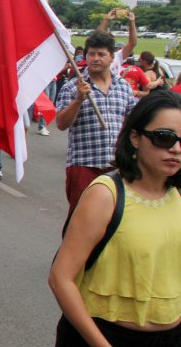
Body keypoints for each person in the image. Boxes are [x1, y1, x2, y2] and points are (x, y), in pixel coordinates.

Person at [45, 90, 181, 347]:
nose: (176, 149)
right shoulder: (106, 193)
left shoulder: (179, 195)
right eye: (165, 138)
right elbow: (61, 277)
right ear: (135, 137)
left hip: (166, 343)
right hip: (99, 336)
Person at [55, 31, 137, 212]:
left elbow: (134, 123)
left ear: (111, 57)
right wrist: (78, 100)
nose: (95, 58)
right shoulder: (73, 87)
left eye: (101, 54)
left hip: (116, 167)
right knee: (81, 218)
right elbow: (61, 124)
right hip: (84, 165)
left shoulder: (123, 87)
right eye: (91, 54)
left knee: (113, 219)